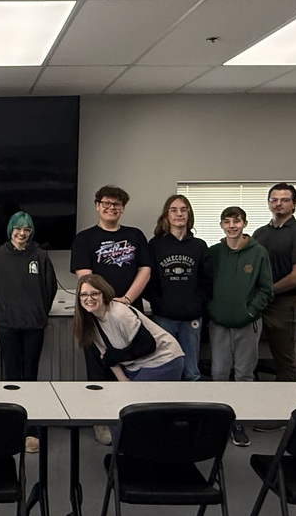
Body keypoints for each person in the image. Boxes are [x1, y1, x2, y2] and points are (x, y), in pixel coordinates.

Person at [0, 211, 58, 453]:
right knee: (11, 377)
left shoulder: (40, 256)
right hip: (8, 326)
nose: (22, 234)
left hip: (34, 325)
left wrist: (39, 311)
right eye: (18, 229)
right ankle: (11, 427)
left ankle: (31, 430)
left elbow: (50, 288)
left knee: (30, 377)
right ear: (10, 230)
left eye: (27, 230)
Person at [74, 274, 184, 444]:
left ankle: (132, 452)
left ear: (104, 294)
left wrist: (119, 359)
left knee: (133, 412)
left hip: (164, 360)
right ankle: (125, 454)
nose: (89, 299)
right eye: (84, 295)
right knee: (124, 408)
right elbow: (108, 358)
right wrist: (124, 382)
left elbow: (148, 345)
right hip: (135, 366)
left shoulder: (118, 313)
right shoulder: (91, 322)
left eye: (94, 293)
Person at [70, 185, 152, 381]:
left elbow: (145, 270)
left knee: (133, 368)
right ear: (97, 206)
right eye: (106, 203)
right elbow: (85, 279)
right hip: (96, 315)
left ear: (123, 208)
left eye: (117, 204)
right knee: (100, 372)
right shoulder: (84, 238)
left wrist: (125, 300)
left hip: (130, 312)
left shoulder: (135, 235)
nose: (112, 207)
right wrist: (105, 304)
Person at [207, 207, 274, 447]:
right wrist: (211, 309)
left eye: (236, 221)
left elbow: (266, 289)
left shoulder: (258, 252)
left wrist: (250, 312)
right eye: (227, 222)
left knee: (244, 374)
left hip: (247, 323)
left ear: (245, 224)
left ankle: (238, 423)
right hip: (219, 323)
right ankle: (219, 422)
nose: (232, 226)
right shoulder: (214, 252)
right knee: (219, 374)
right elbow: (204, 284)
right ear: (221, 225)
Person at [252, 183, 296, 381]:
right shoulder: (260, 234)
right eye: (274, 200)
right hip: (257, 303)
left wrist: (267, 291)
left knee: (284, 361)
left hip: (284, 305)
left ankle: (289, 406)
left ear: (294, 205)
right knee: (248, 357)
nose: (279, 204)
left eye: (285, 200)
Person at [146, 194, 212, 381]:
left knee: (191, 371)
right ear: (167, 215)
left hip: (191, 319)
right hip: (163, 317)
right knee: (166, 368)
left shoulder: (199, 246)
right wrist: (159, 302)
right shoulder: (156, 245)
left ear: (189, 214)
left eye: (183, 210)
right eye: (174, 210)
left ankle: (192, 409)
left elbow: (207, 281)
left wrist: (197, 304)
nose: (179, 214)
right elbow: (148, 278)